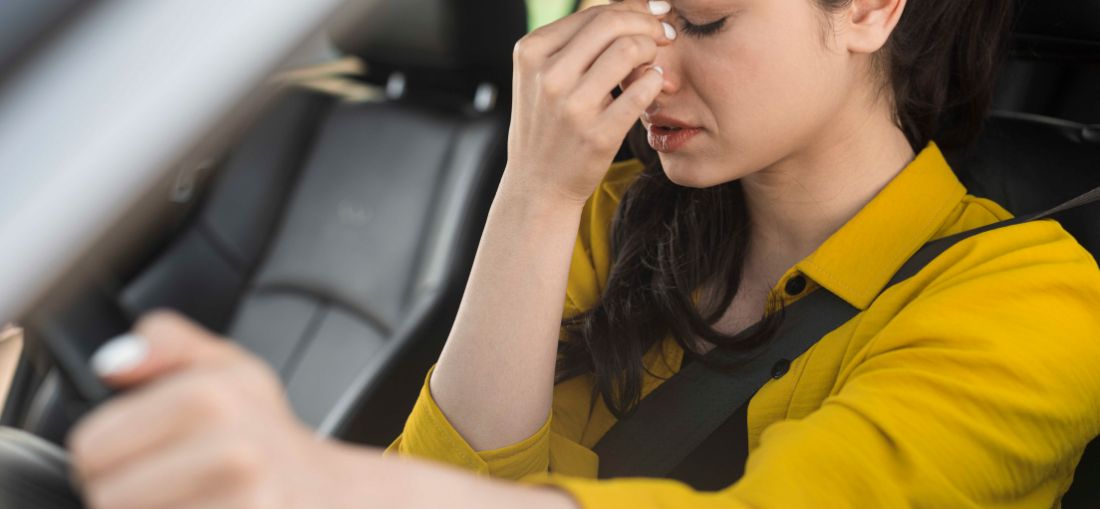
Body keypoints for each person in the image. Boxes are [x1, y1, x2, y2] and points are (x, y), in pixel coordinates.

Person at [67, 0, 1100, 507]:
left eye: (702, 18)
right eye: (632, 13)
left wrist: (323, 483)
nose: (651, 70)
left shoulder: (1038, 302)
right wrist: (535, 189)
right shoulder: (616, 215)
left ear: (870, 8)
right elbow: (457, 476)